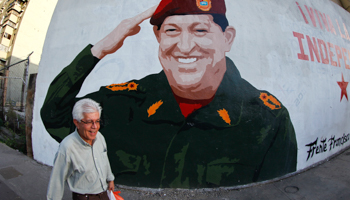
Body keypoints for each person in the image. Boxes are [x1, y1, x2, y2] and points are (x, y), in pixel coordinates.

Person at [41, 0, 297, 188]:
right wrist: (99, 49)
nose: (184, 47)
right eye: (172, 30)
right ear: (158, 37)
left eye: (200, 30)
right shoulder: (125, 104)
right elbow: (56, 115)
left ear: (227, 39)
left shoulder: (267, 121)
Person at [46, 98, 115, 200]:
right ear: (77, 123)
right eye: (89, 122)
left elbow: (104, 159)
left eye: (97, 121)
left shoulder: (99, 137)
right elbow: (57, 181)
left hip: (104, 193)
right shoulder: (67, 147)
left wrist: (110, 179)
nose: (95, 127)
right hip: (85, 197)